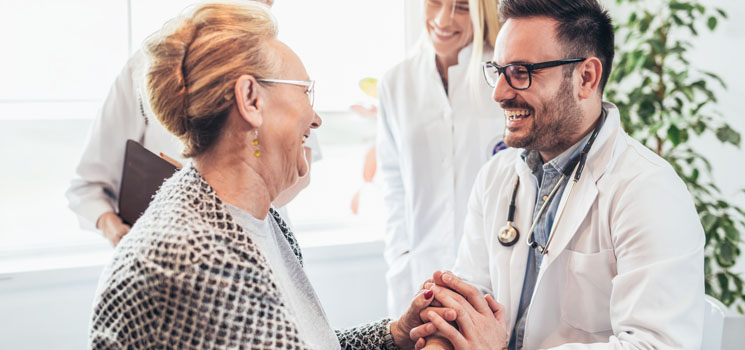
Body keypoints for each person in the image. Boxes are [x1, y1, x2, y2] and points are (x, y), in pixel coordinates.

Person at [90, 2, 431, 348]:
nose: (315, 119)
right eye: (303, 91)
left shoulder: (257, 218)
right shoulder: (196, 263)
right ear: (251, 99)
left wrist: (396, 335)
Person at [408, 0, 706, 348]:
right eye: (498, 70)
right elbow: (466, 306)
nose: (500, 93)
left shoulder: (647, 191)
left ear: (586, 77)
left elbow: (657, 346)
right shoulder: (497, 176)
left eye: (521, 72)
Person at [65, 0, 320, 247]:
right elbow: (88, 186)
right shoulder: (152, 69)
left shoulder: (282, 70)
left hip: (259, 243)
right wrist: (119, 232)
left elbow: (298, 166)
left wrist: (242, 209)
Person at [376, 0, 504, 318]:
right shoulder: (396, 83)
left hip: (494, 275)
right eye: (435, 2)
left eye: (462, 7)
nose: (443, 19)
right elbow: (393, 186)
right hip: (419, 270)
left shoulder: (505, 77)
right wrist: (401, 257)